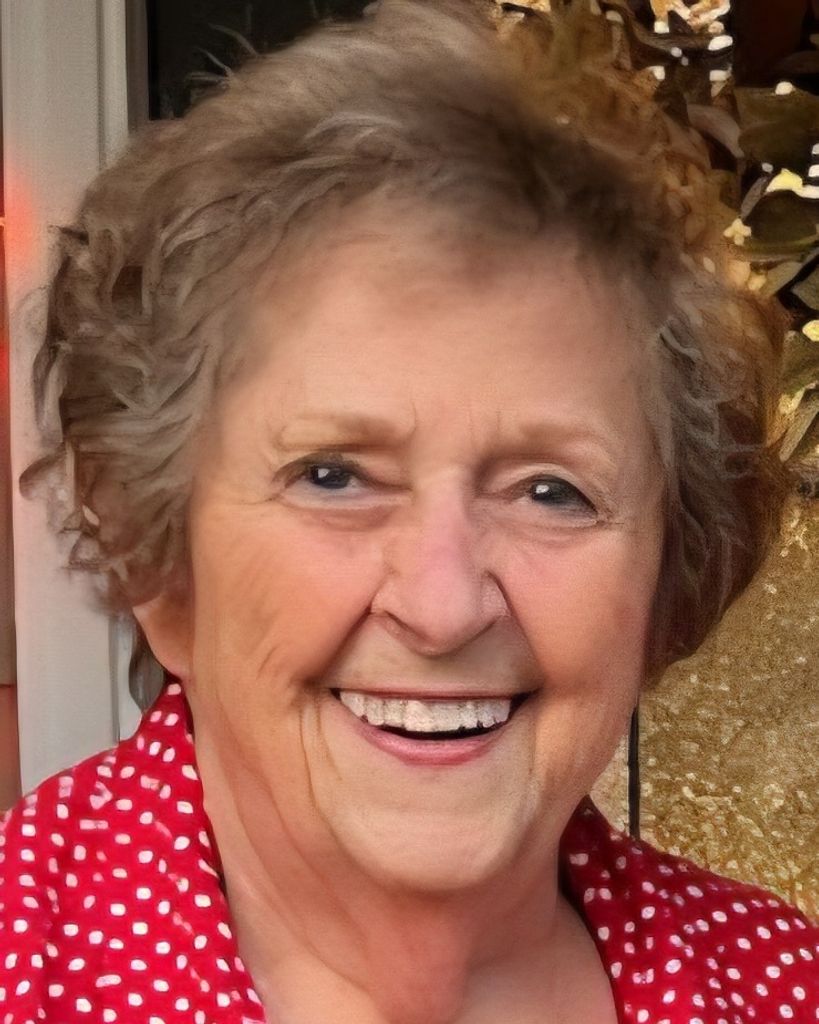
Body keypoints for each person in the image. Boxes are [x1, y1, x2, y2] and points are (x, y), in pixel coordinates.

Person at [1, 1, 817, 1022]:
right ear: (160, 561)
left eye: (550, 490)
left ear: (663, 585)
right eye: (335, 476)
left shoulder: (779, 987)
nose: (442, 606)